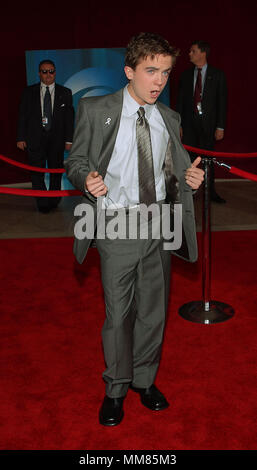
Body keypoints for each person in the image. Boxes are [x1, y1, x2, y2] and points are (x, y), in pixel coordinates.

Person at [65, 32, 204, 427]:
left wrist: (188, 179)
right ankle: (116, 387)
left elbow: (171, 174)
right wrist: (85, 178)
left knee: (153, 311)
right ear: (129, 71)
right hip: (115, 223)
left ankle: (145, 381)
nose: (159, 81)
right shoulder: (95, 109)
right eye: (150, 71)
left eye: (164, 72)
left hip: (160, 222)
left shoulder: (170, 118)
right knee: (118, 314)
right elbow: (75, 160)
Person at [17, 59, 74, 212]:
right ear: (39, 73)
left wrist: (69, 140)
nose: (48, 75)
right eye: (44, 71)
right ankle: (42, 203)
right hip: (34, 138)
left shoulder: (65, 92)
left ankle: (54, 200)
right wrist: (21, 137)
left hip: (57, 140)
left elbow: (69, 118)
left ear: (55, 73)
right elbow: (23, 116)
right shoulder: (28, 92)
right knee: (36, 172)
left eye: (51, 71)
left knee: (56, 171)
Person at [176, 40, 227, 203]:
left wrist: (220, 126)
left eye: (193, 51)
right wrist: (179, 124)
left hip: (209, 126)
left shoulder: (217, 74)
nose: (189, 54)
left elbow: (222, 101)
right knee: (189, 160)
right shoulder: (185, 75)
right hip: (189, 126)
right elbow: (180, 103)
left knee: (208, 161)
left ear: (203, 53)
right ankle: (188, 192)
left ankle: (210, 192)